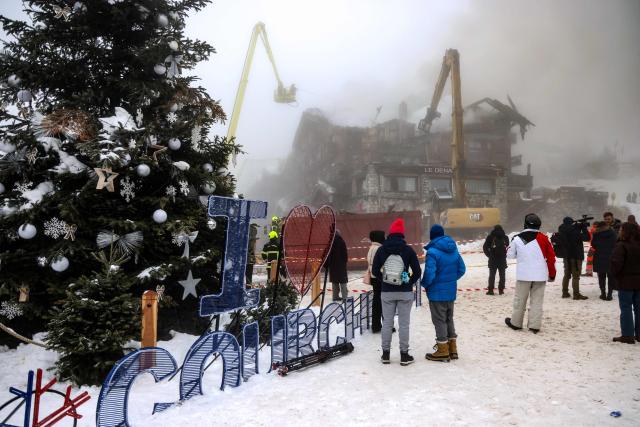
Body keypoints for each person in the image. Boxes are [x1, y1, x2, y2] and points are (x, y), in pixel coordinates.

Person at [372, 218, 421, 366]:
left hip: (386, 292)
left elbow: (374, 271)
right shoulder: (408, 250)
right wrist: (408, 281)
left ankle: (386, 354)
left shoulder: (381, 250)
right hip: (405, 292)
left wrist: (385, 280)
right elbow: (417, 271)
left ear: (390, 234)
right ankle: (404, 356)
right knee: (404, 324)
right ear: (402, 234)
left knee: (387, 323)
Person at [505, 213, 556, 334]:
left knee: (520, 299)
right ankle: (534, 325)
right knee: (537, 301)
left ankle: (516, 323)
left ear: (525, 223)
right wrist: (552, 274)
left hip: (524, 275)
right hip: (540, 275)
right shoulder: (544, 238)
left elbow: (509, 255)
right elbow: (551, 257)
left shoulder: (517, 238)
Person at [422, 224, 466, 362]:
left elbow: (430, 273)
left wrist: (425, 284)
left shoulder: (433, 252)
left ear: (432, 236)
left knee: (439, 320)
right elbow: (461, 269)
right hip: (450, 292)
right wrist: (450, 281)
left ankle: (442, 350)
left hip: (436, 293)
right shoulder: (454, 250)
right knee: (449, 319)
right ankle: (453, 349)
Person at [609, 222, 640, 344]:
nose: (619, 231)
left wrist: (615, 275)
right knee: (639, 308)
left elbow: (616, 263)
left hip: (626, 282)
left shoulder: (621, 245)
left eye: (621, 229)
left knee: (626, 308)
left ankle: (627, 335)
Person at [558, 217, 590, 299]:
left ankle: (564, 293)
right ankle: (576, 294)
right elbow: (587, 238)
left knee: (566, 275)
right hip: (576, 256)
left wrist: (577, 226)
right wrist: (584, 228)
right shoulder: (575, 231)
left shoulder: (561, 229)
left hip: (566, 256)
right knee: (576, 276)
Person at [591, 221, 617, 300]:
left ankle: (603, 293)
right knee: (611, 276)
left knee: (601, 276)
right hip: (610, 257)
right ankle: (609, 294)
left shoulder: (596, 234)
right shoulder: (612, 233)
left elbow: (593, 244)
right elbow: (616, 243)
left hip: (599, 256)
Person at [366, 230, 385, 332]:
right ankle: (385, 324)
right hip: (380, 277)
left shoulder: (371, 248)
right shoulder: (379, 248)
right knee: (383, 302)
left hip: (373, 277)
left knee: (376, 301)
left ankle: (376, 325)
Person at [482, 225, 509, 295]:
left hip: (493, 259)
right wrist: (504, 254)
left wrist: (489, 255)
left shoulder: (490, 237)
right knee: (502, 275)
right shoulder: (505, 237)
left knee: (492, 275)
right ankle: (501, 290)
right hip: (502, 259)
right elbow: (508, 247)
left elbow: (485, 247)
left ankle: (490, 290)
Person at [327, 231, 349, 302]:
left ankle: (335, 297)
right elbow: (345, 254)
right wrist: (344, 262)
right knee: (343, 281)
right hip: (341, 265)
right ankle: (344, 297)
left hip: (333, 266)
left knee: (335, 281)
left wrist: (328, 264)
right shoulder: (341, 241)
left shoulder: (330, 242)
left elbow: (327, 254)